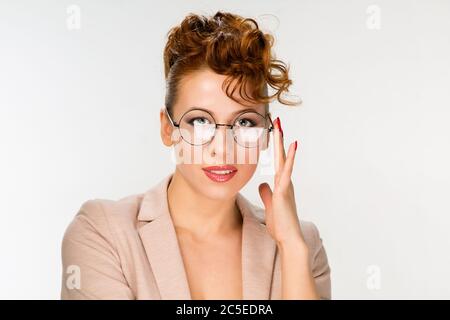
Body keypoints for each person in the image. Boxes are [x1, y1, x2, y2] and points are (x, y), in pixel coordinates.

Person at [61, 10, 331, 300]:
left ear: (267, 134)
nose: (223, 148)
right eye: (200, 121)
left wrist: (291, 246)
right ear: (167, 128)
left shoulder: (303, 244)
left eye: (245, 122)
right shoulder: (103, 232)